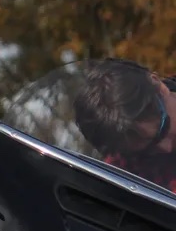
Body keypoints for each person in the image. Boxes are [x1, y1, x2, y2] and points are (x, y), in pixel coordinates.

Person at [72, 58, 176, 188]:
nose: (166, 148)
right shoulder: (122, 172)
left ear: (159, 87)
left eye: (163, 128)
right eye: (149, 150)